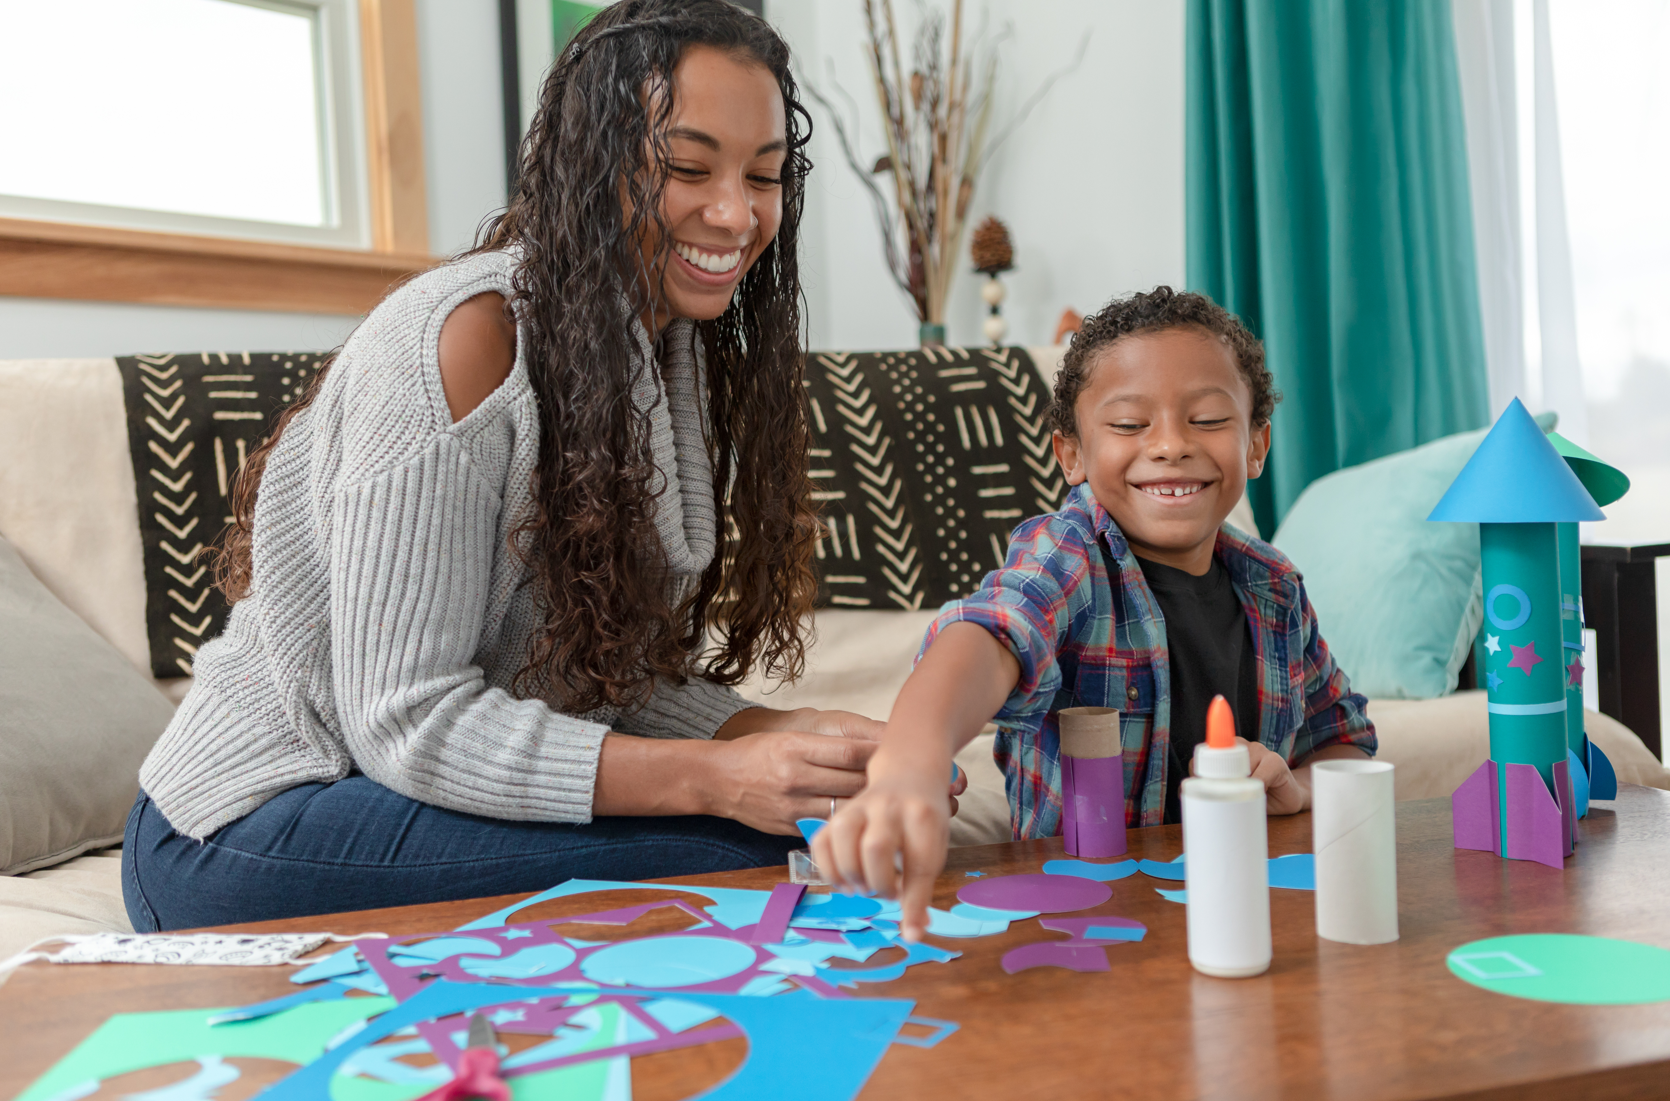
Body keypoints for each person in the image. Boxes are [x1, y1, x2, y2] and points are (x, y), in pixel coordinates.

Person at [123, 0, 960, 932]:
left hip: (391, 793)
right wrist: (719, 778)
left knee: (807, 816)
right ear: (595, 161)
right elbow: (406, 718)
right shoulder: (460, 339)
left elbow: (598, 679)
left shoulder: (658, 348)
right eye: (689, 167)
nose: (736, 212)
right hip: (245, 824)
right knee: (749, 855)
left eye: (763, 176)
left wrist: (779, 736)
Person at [814, 288, 1376, 940]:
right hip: (1084, 925)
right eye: (1131, 425)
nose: (1169, 444)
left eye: (1209, 419)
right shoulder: (1069, 552)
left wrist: (1296, 786)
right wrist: (910, 762)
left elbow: (1346, 740)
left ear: (1256, 444)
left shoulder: (1275, 587)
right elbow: (988, 634)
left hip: (1246, 914)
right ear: (1071, 454)